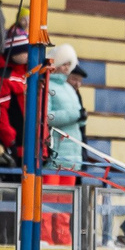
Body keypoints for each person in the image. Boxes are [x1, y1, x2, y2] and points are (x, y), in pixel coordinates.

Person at [43, 41, 84, 172]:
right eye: (64, 64)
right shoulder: (48, 86)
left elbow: (78, 115)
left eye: (69, 64)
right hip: (56, 151)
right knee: (52, 192)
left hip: (74, 154)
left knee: (70, 192)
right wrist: (76, 115)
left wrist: (83, 118)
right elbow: (47, 116)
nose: (66, 68)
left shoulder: (69, 88)